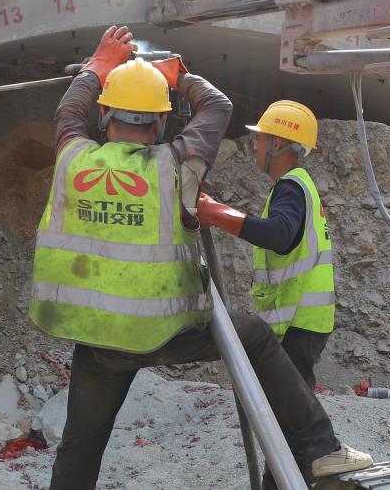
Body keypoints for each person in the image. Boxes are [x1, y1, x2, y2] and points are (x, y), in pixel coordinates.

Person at [29, 27, 369, 489]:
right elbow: (219, 107)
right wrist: (178, 75)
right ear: (161, 125)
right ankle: (320, 448)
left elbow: (69, 111)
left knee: (80, 446)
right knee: (253, 335)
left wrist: (99, 64)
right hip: (160, 331)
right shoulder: (175, 166)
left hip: (95, 337)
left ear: (103, 114)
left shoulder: (72, 154)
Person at [195, 100, 336, 395]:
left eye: (259, 138)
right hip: (304, 322)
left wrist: (219, 214)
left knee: (292, 414)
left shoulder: (291, 186)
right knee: (294, 411)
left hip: (297, 322)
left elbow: (278, 235)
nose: (254, 146)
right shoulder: (297, 185)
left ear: (279, 141)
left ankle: (311, 444)